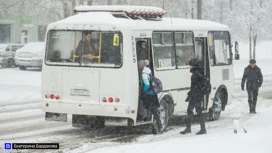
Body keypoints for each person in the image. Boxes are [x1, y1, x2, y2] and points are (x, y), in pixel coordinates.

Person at [180, 58, 207, 135]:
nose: (189, 67)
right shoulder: (198, 72)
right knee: (190, 111)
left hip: (196, 96)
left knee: (197, 111)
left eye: (190, 65)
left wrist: (193, 93)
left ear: (194, 66)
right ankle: (189, 128)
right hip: (195, 95)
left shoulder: (197, 74)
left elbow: (196, 86)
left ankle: (202, 129)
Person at [138, 60, 162, 133]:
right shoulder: (148, 72)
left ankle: (156, 125)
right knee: (153, 110)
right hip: (152, 94)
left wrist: (143, 91)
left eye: (138, 66)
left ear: (140, 66)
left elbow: (147, 84)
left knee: (149, 108)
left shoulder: (144, 74)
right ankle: (157, 124)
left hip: (148, 94)